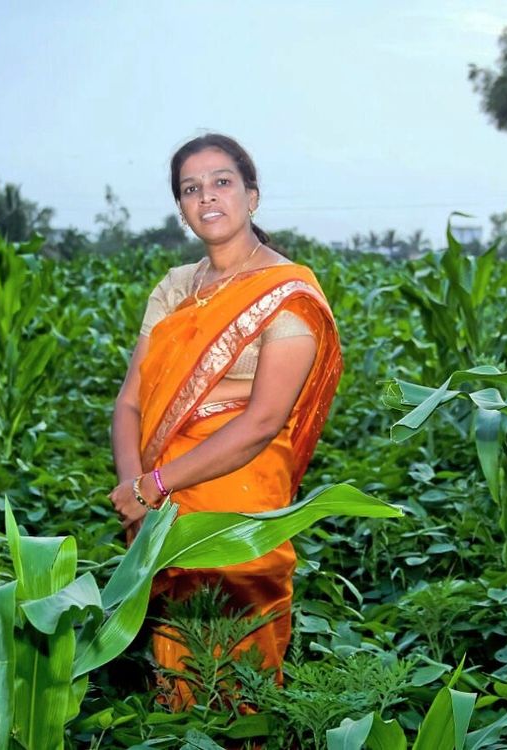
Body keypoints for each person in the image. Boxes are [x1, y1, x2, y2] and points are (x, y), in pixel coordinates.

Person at [108, 133, 342, 707]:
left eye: (221, 182)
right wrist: (135, 491)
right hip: (163, 502)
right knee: (180, 659)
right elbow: (131, 401)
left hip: (240, 502)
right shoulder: (174, 289)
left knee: (242, 673)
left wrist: (153, 484)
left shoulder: (288, 293)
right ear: (182, 207)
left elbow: (261, 422)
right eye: (191, 188)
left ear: (252, 196)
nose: (206, 197)